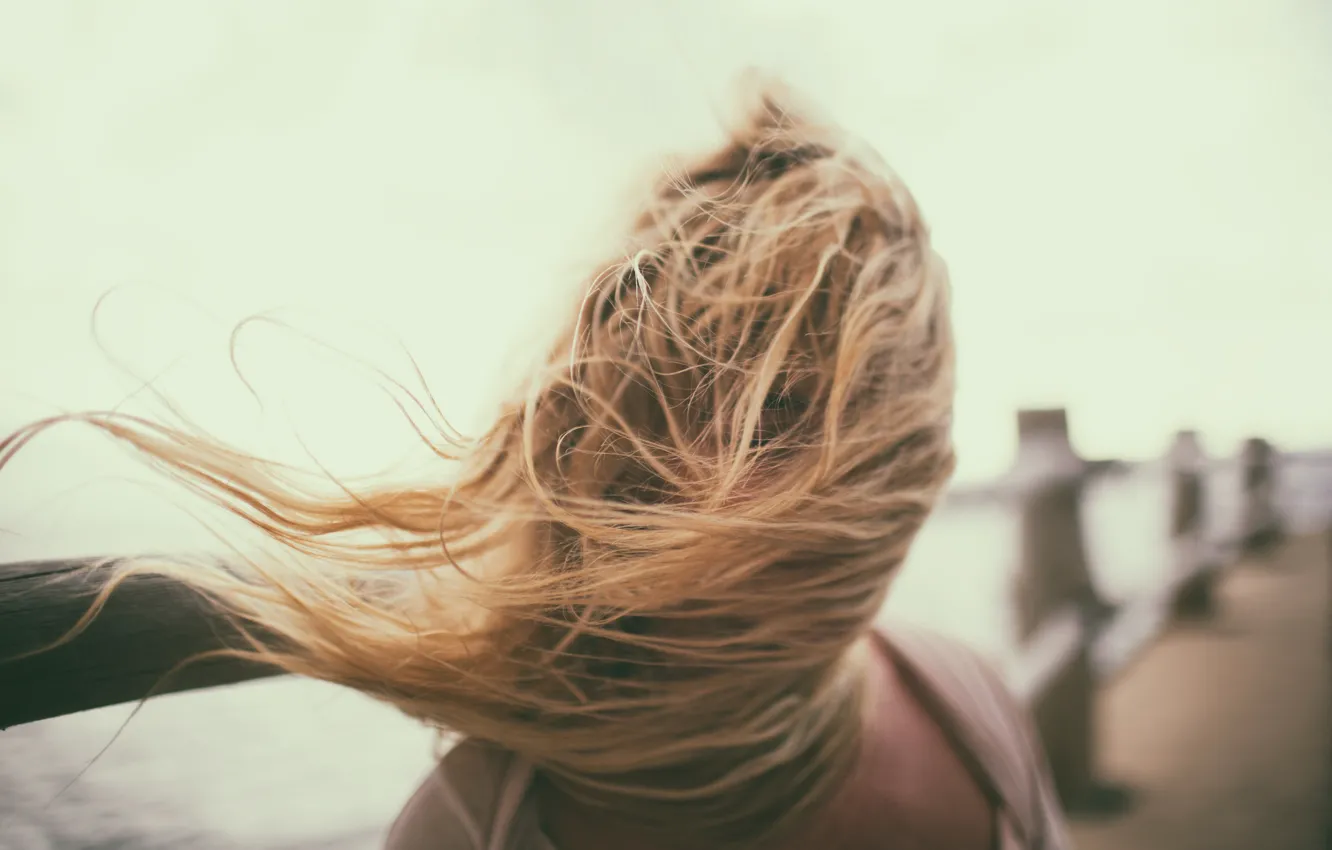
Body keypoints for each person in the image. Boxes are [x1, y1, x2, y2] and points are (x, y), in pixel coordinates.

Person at [2, 81, 1071, 849]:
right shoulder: (474, 829)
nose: (705, 483)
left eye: (785, 409)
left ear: (894, 469)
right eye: (667, 408)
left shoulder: (968, 702)